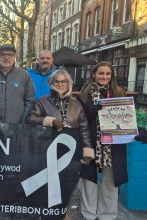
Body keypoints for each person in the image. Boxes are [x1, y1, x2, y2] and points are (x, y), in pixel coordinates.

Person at [26, 69, 95, 220]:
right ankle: (45, 212)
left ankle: (62, 213)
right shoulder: (42, 101)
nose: (60, 84)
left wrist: (87, 152)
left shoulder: (76, 104)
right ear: (51, 83)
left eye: (64, 81)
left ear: (69, 83)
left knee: (66, 183)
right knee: (47, 183)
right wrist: (50, 121)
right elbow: (30, 119)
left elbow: (84, 128)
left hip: (71, 151)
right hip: (48, 148)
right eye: (57, 81)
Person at [78, 61, 128, 220]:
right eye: (101, 73)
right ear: (94, 74)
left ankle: (107, 214)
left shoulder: (119, 93)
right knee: (89, 180)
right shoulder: (84, 94)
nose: (104, 76)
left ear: (111, 75)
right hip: (91, 141)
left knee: (111, 180)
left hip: (113, 143)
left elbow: (126, 118)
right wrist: (99, 107)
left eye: (107, 73)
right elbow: (82, 118)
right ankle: (89, 213)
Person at [0, 44, 35, 125]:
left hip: (17, 127)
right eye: (2, 55)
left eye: (10, 54)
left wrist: (23, 121)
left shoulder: (24, 76)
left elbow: (30, 101)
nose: (6, 57)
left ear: (15, 56)